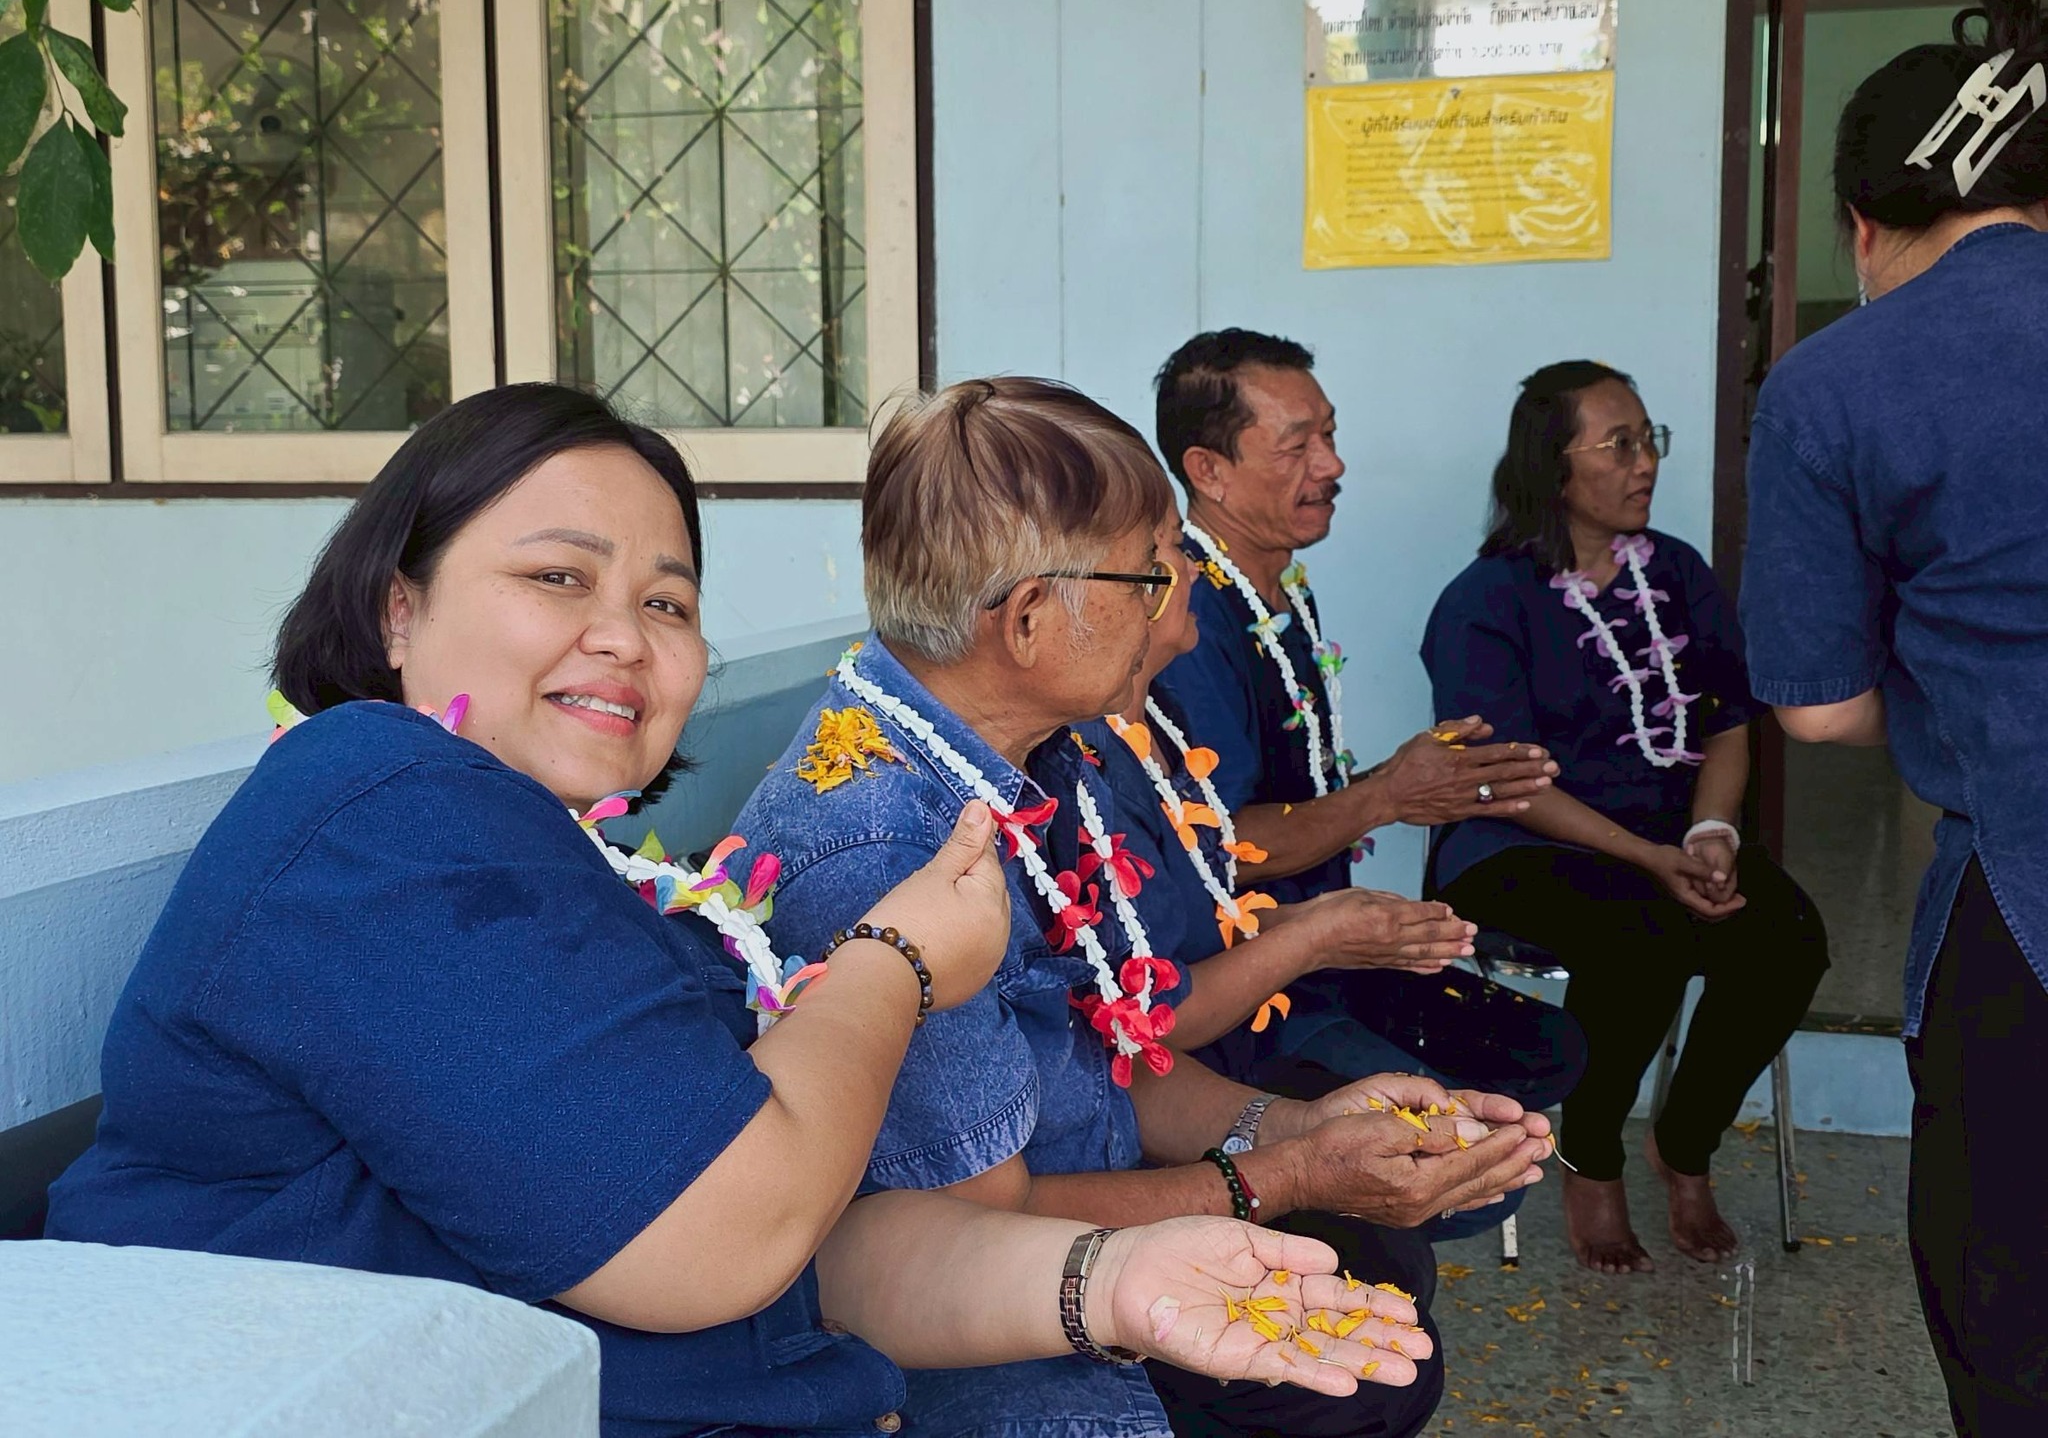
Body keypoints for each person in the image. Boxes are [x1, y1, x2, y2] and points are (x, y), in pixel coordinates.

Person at [43, 386, 1445, 1437]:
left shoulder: (567, 867)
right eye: (555, 577)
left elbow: (827, 1256)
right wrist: (898, 959)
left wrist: (1117, 1283)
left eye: (667, 601)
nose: (623, 634)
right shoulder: (378, 800)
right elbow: (725, 1235)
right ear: (397, 609)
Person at [734, 377, 1555, 1438]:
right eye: (1151, 570)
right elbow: (985, 1225)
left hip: (1097, 1202)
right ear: (1029, 619)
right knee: (1366, 1376)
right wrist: (1295, 1173)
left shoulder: (1030, 755)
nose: (1175, 602)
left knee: (1382, 1298)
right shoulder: (892, 850)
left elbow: (1104, 1054)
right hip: (998, 1324)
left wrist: (1299, 1125)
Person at [1739, 0, 2048, 1437]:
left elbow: (1815, 710)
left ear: (1860, 227)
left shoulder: (1835, 383)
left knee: (2011, 1308)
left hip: (2024, 902)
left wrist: (1947, 705)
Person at [1068, 495, 1584, 1248]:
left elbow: (1199, 890)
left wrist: (1328, 918)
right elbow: (1157, 1008)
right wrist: (1330, 910)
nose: (1330, 466)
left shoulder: (1188, 680)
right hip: (1249, 1015)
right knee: (1427, 1214)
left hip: (1269, 981)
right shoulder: (1081, 757)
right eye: (1168, 551)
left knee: (1543, 1056)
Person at [1421, 360, 1829, 1274]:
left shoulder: (1677, 571)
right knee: (1643, 938)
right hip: (1519, 844)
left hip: (1671, 837)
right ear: (1553, 466)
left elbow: (1728, 721)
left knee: (1789, 937)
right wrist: (1649, 858)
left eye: (1649, 440)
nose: (1645, 462)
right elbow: (1505, 779)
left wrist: (1710, 834)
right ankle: (1590, 1154)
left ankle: (1683, 1142)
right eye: (1620, 444)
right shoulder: (1485, 601)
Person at [1151, 330, 1584, 1123]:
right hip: (1244, 992)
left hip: (1327, 963)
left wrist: (1420, 783)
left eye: (1330, 434)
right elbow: (1218, 847)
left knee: (1548, 1051)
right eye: (1297, 447)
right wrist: (1387, 796)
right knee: (1451, 1138)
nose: (1332, 465)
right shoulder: (1190, 618)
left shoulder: (1280, 587)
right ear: (1207, 471)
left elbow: (1297, 791)